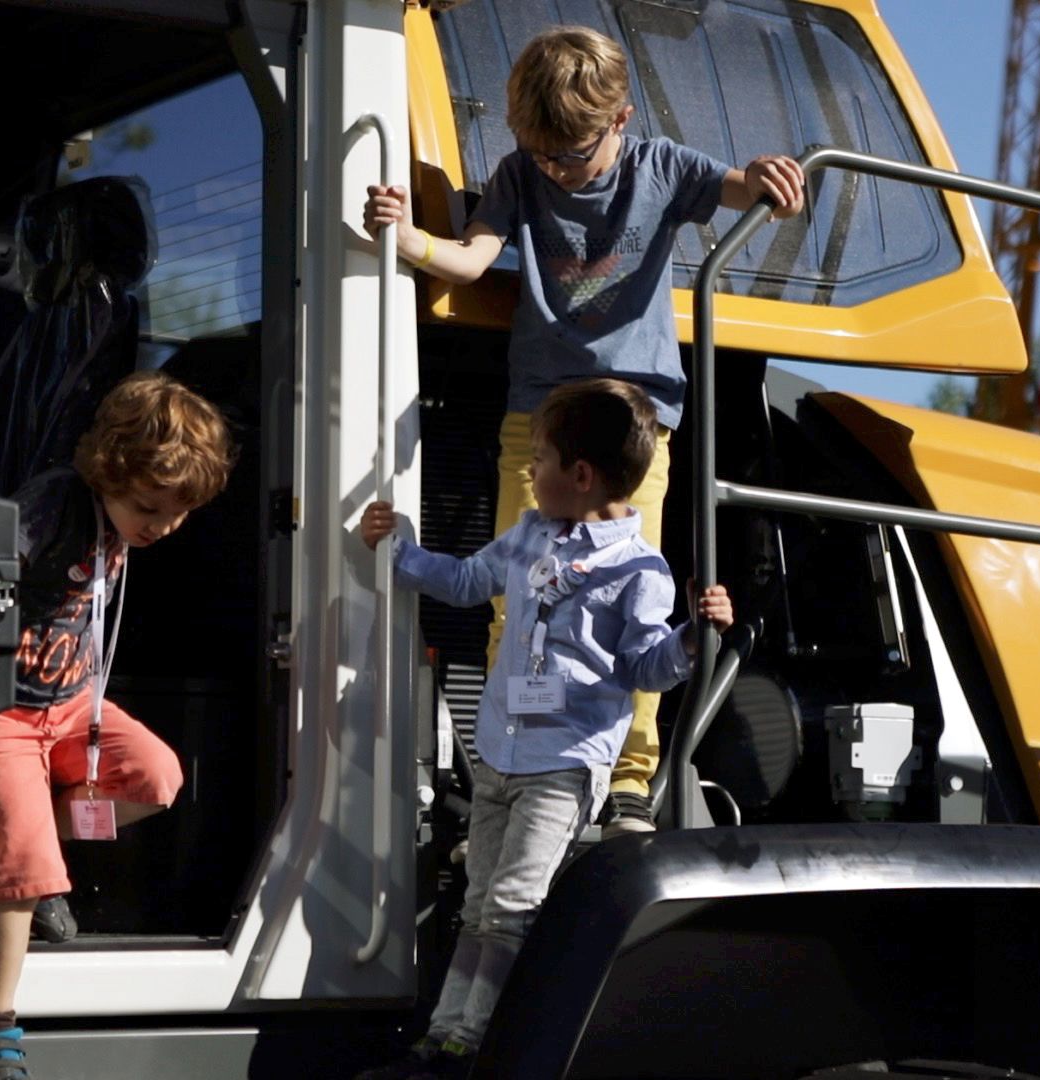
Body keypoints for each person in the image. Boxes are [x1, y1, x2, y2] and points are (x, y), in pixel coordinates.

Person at [362, 24, 802, 835]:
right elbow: (471, 257)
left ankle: (628, 778)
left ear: (621, 120)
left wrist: (772, 175)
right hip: (542, 417)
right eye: (540, 153)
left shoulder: (661, 168)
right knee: (515, 592)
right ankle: (508, 764)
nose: (554, 170)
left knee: (629, 599)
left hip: (634, 424)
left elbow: (741, 189)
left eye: (569, 156)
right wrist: (408, 236)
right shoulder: (520, 175)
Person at [354, 378, 734, 1079]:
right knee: (479, 902)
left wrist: (690, 637)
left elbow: (645, 669)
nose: (529, 472)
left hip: (563, 763)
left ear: (580, 475)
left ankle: (474, 1047)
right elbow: (466, 581)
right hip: (500, 753)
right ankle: (443, 1038)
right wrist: (399, 551)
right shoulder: (531, 534)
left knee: (512, 905)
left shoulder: (638, 570)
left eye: (540, 459)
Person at [0, 371, 235, 1080]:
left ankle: (34, 849)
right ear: (110, 469)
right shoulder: (57, 503)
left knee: (156, 778)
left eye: (178, 515)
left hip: (74, 707)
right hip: (10, 709)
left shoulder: (121, 529)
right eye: (149, 507)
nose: (160, 527)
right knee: (20, 872)